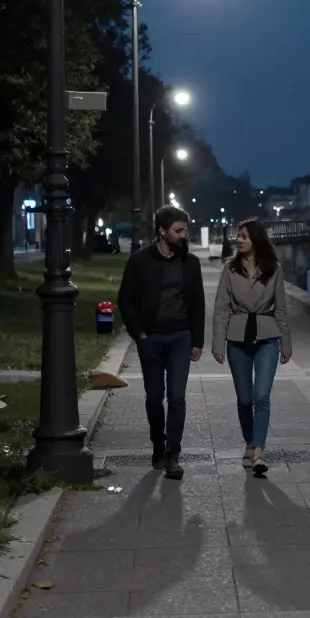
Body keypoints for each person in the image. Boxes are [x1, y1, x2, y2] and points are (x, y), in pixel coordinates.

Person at [116, 206, 205, 480]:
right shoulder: (140, 261)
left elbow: (198, 303)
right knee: (155, 398)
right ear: (162, 231)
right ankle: (158, 442)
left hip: (180, 336)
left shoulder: (190, 263)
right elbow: (125, 299)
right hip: (151, 338)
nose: (182, 235)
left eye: (184, 230)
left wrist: (197, 340)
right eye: (177, 230)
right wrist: (139, 334)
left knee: (177, 397)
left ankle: (172, 454)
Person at [211, 218, 292, 476]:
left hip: (267, 338)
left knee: (261, 397)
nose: (239, 239)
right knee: (245, 399)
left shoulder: (274, 269)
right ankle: (249, 441)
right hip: (237, 338)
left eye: (244, 236)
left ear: (256, 239)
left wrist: (286, 344)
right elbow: (221, 309)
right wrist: (218, 344)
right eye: (238, 235)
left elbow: (281, 309)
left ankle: (258, 451)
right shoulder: (230, 269)